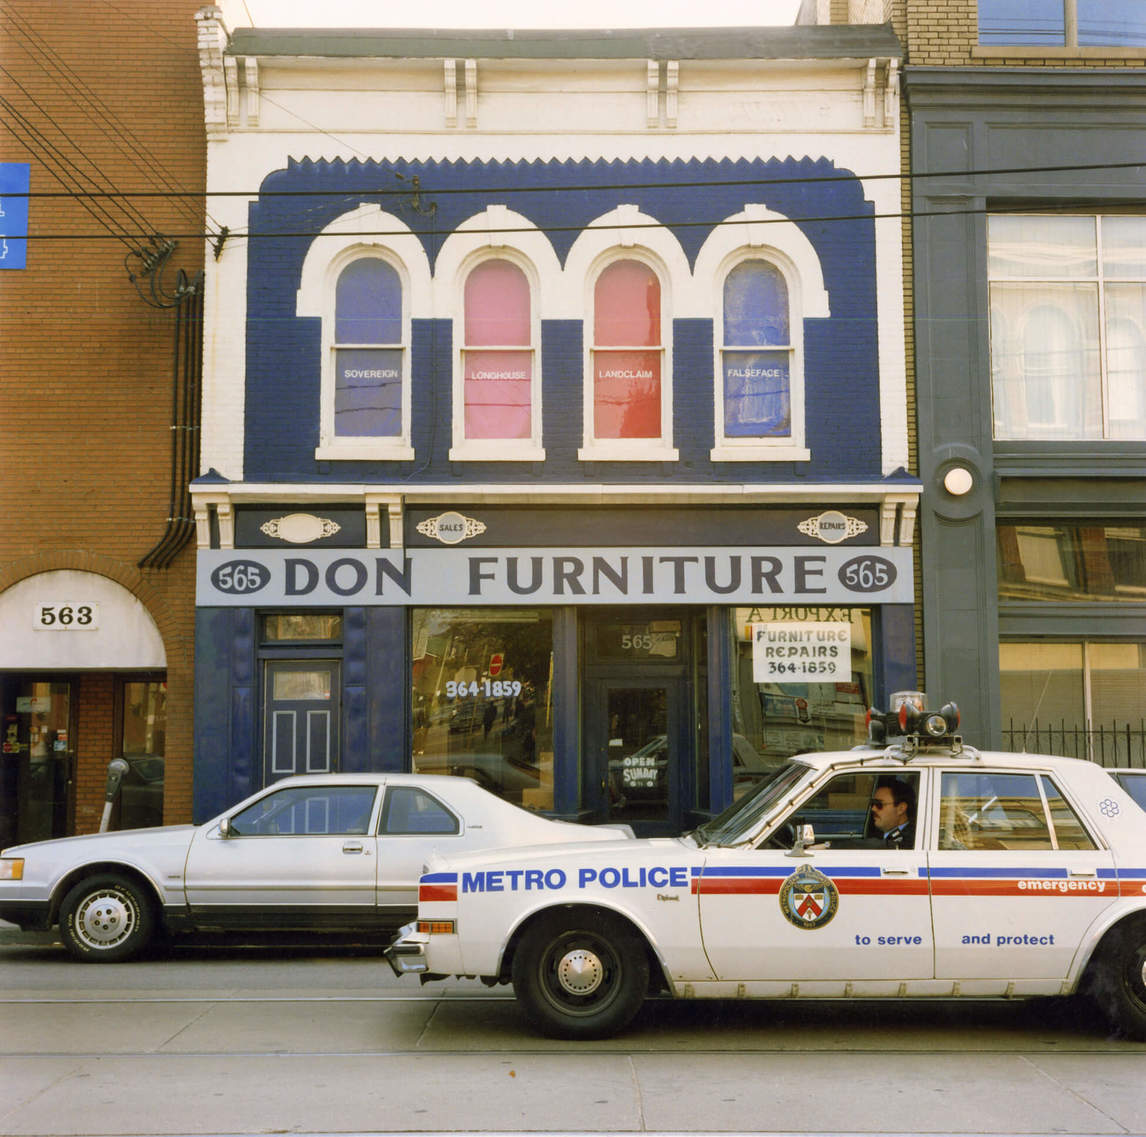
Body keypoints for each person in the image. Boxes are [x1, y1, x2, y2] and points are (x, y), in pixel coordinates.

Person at [871, 776, 915, 848]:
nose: (873, 809)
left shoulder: (908, 843)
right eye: (872, 803)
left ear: (901, 809)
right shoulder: (881, 834)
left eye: (879, 804)